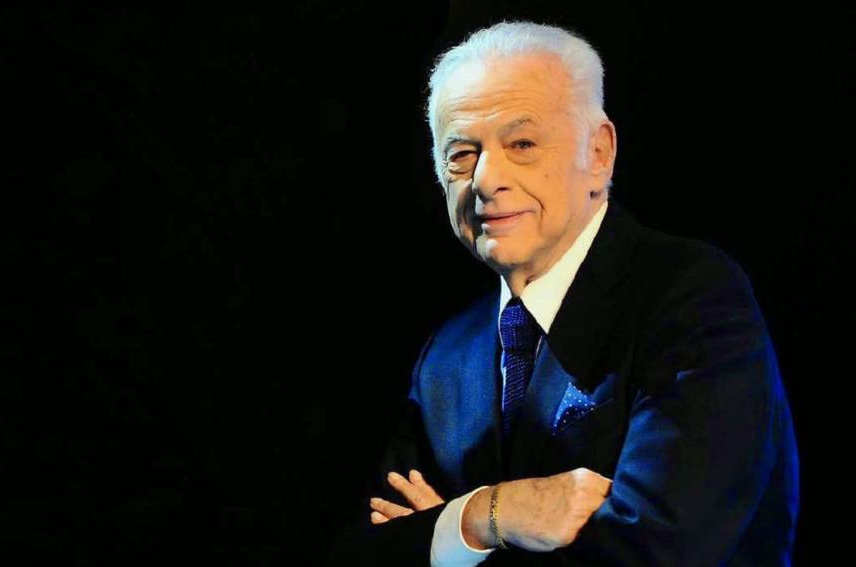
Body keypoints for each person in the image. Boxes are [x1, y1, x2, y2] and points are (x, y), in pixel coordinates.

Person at [327, 20, 800, 566]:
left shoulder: (692, 299)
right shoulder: (446, 358)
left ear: (598, 153)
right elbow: (359, 556)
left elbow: (655, 552)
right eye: (461, 154)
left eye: (522, 144)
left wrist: (449, 540)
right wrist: (485, 515)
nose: (486, 180)